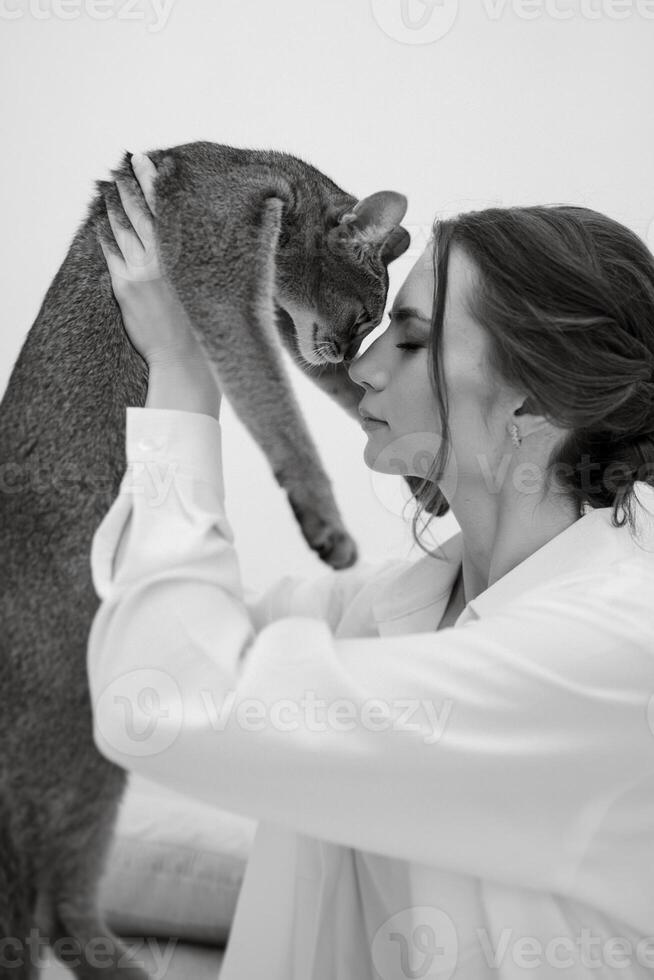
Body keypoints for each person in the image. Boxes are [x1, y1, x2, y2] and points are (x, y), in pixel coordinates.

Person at [90, 151, 654, 979]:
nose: (359, 366)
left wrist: (183, 369)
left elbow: (166, 700)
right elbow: (143, 627)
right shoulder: (406, 607)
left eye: (414, 336)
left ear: (537, 402)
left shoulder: (611, 649)